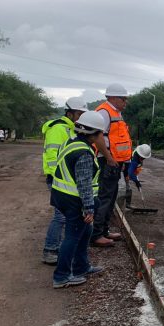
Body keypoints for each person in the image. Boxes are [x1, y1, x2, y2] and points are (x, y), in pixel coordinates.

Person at [49, 111, 107, 288]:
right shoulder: (83, 153)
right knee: (73, 236)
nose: (101, 138)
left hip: (62, 195)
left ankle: (81, 266)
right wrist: (88, 208)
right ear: (94, 134)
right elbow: (83, 184)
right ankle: (62, 276)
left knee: (85, 231)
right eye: (101, 135)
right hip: (74, 200)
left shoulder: (71, 142)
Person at [40, 97, 89, 265]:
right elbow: (52, 155)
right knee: (60, 216)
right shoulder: (58, 129)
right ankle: (50, 250)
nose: (81, 117)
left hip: (64, 178)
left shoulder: (70, 128)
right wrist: (58, 176)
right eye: (79, 113)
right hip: (57, 178)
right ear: (69, 113)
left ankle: (57, 247)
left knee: (65, 216)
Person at [91, 83, 132, 247]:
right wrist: (108, 157)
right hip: (107, 161)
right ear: (114, 98)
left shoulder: (116, 113)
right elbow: (98, 136)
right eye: (123, 99)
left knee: (111, 196)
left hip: (115, 162)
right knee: (105, 197)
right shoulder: (104, 112)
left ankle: (104, 230)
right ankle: (96, 235)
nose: (125, 102)